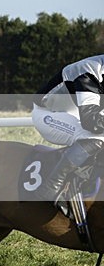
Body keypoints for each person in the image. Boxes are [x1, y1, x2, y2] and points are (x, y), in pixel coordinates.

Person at [32, 54, 104, 203]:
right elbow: (91, 122)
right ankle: (49, 191)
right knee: (95, 137)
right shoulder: (88, 71)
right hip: (50, 114)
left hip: (77, 112)